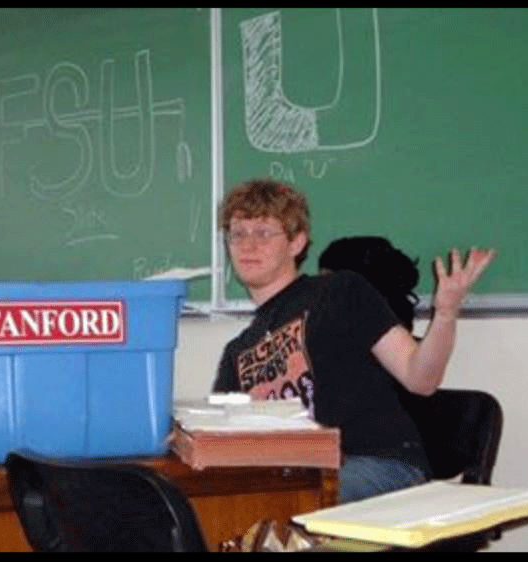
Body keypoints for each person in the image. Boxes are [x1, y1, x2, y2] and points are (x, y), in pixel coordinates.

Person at [211, 178, 495, 503]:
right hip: (296, 477)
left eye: (263, 233)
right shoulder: (237, 353)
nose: (248, 245)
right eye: (238, 234)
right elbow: (226, 445)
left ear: (297, 243)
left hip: (379, 466)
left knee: (286, 506)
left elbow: (421, 379)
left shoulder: (339, 291)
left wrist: (444, 315)